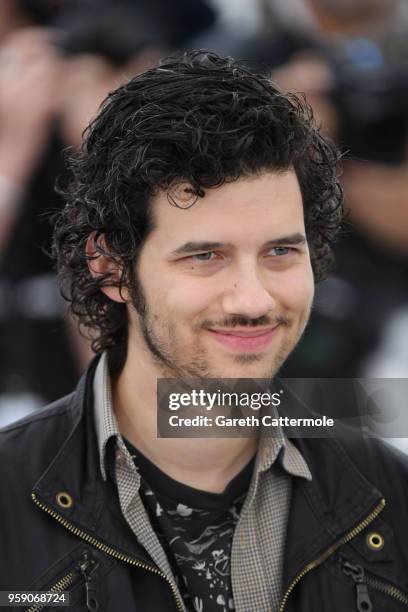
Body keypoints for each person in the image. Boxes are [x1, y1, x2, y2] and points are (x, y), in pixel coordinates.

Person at [1, 49, 407, 612]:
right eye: (205, 256)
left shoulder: (392, 497)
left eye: (281, 251)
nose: (254, 299)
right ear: (111, 268)